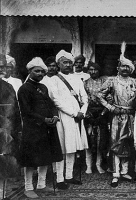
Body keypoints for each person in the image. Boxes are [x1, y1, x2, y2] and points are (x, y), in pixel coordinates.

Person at [17, 57, 63, 198]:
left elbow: (51, 105)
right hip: (33, 129)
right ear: (30, 71)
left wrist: (55, 116)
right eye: (37, 71)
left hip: (47, 129)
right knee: (31, 160)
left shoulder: (43, 87)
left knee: (45, 157)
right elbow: (26, 111)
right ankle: (28, 187)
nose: (40, 74)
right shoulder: (24, 89)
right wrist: (44, 119)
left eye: (43, 72)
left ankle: (41, 185)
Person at [97, 42, 136, 187]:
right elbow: (99, 95)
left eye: (128, 66)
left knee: (128, 144)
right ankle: (115, 173)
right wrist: (110, 107)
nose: (125, 69)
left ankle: (125, 171)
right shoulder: (112, 81)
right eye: (123, 66)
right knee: (116, 145)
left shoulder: (135, 82)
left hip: (131, 117)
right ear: (118, 68)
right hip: (116, 117)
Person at [49, 50, 89, 189]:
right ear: (59, 64)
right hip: (63, 117)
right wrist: (73, 113)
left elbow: (84, 98)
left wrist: (82, 112)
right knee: (62, 148)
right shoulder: (53, 80)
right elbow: (56, 101)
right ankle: (60, 178)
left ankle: (69, 176)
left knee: (72, 148)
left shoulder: (77, 79)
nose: (67, 65)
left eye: (69, 62)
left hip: (77, 118)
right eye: (64, 62)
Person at [0, 54, 22, 199]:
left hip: (4, 131)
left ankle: (1, 193)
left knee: (3, 163)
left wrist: (17, 129)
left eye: (2, 66)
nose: (1, 69)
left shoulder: (7, 87)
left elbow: (14, 111)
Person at [84, 61, 109, 174]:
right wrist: (87, 113)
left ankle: (98, 164)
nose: (93, 72)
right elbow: (82, 99)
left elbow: (109, 98)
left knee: (100, 141)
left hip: (101, 113)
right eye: (91, 69)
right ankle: (88, 165)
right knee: (88, 140)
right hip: (88, 114)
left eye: (95, 69)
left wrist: (103, 113)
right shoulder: (85, 83)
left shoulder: (105, 81)